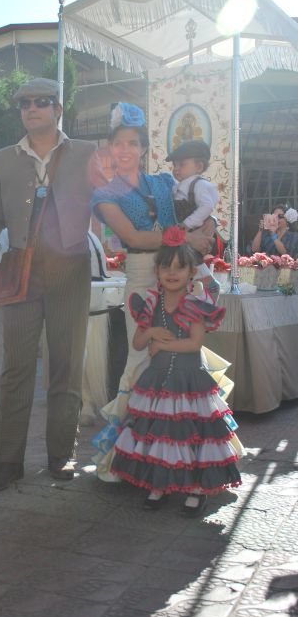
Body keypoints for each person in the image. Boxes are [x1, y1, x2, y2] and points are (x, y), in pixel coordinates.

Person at [0, 78, 96, 492]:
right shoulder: (3, 159)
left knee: (65, 364)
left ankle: (61, 454)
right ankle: (8, 461)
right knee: (15, 367)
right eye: (24, 104)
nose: (31, 108)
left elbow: (110, 202)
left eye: (41, 102)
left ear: (58, 109)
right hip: (20, 269)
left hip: (70, 267)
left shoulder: (86, 152)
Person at [90, 103, 214, 480]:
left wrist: (205, 233)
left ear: (144, 148)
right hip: (143, 275)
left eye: (133, 143)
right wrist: (185, 238)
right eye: (118, 143)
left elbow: (204, 212)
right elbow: (134, 237)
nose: (125, 149)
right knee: (142, 357)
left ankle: (187, 454)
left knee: (184, 359)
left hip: (180, 273)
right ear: (110, 148)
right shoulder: (104, 193)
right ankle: (123, 457)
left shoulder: (164, 182)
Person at [108, 228, 242, 517]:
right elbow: (138, 342)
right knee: (162, 436)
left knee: (191, 435)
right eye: (166, 266)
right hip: (157, 382)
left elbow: (195, 343)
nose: (172, 273)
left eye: (180, 267)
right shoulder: (151, 304)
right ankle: (160, 483)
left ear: (191, 272)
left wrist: (162, 346)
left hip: (190, 381)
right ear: (157, 271)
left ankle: (196, 487)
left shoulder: (195, 305)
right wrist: (151, 333)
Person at [166, 139, 221, 296]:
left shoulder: (199, 184)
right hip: (184, 232)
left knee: (189, 258)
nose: (176, 169)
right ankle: (197, 287)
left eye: (182, 165)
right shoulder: (179, 185)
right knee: (186, 260)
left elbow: (207, 206)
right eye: (175, 165)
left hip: (192, 230)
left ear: (199, 167)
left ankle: (208, 283)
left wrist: (187, 224)